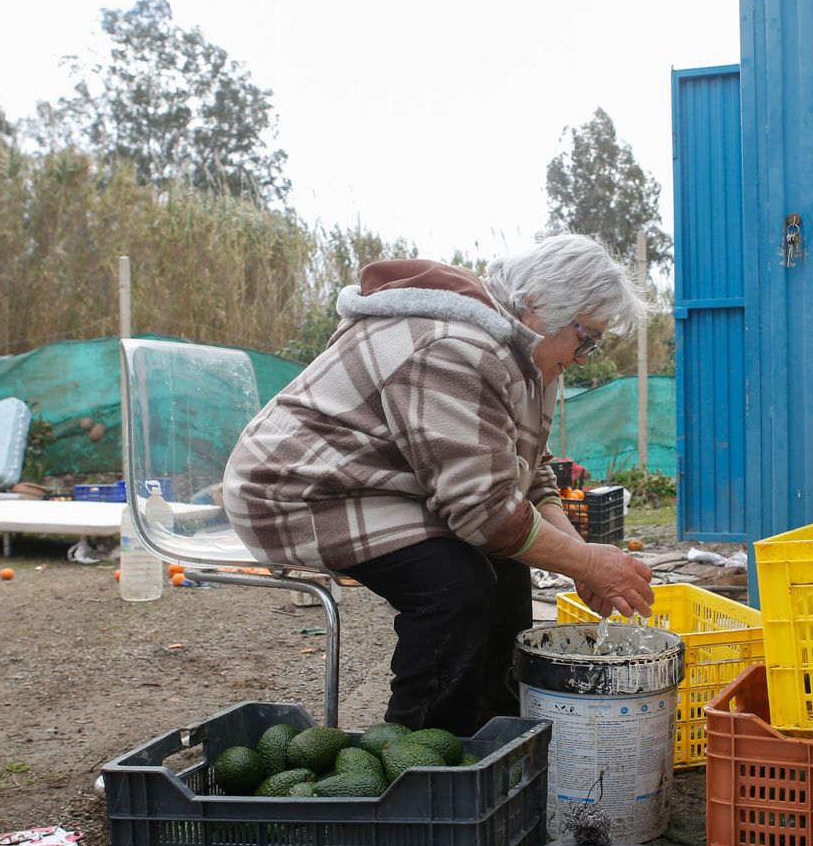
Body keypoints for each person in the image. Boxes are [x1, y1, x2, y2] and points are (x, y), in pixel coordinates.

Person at [223, 234, 656, 735]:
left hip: (376, 484)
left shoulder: (529, 356)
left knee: (511, 562)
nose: (586, 356)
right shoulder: (455, 345)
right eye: (586, 337)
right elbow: (486, 514)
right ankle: (420, 758)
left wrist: (582, 562)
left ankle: (495, 737)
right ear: (539, 306)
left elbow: (528, 474)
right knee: (455, 584)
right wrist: (588, 563)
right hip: (297, 493)